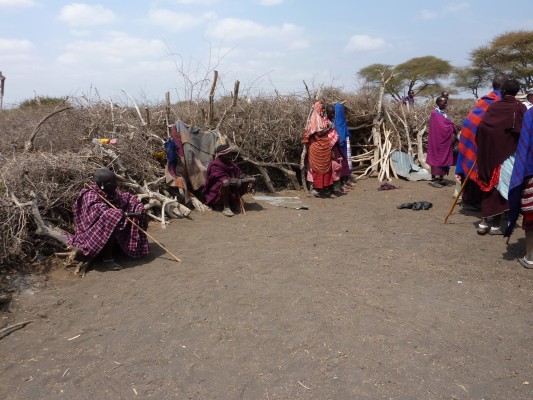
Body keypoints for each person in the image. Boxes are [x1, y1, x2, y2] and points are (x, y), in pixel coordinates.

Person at [66, 169, 149, 270]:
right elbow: (105, 214)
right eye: (112, 183)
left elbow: (127, 198)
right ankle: (107, 260)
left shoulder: (110, 192)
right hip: (90, 234)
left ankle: (125, 248)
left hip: (105, 230)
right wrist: (130, 214)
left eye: (115, 182)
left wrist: (138, 208)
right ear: (102, 184)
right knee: (111, 219)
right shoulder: (89, 195)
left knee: (125, 211)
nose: (115, 185)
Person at [474, 78, 526, 235]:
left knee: (490, 185)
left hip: (490, 154)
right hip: (509, 156)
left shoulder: (494, 106)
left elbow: (482, 128)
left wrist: (484, 147)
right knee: (502, 188)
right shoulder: (521, 107)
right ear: (517, 93)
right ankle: (495, 226)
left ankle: (484, 223)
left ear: (502, 92)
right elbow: (524, 133)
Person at [455, 75, 506, 209]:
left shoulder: (484, 101)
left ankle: (471, 200)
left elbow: (468, 123)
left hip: (472, 140)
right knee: (483, 172)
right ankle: (477, 201)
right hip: (483, 143)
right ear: (503, 87)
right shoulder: (498, 102)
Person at [505, 107, 533, 267]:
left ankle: (530, 256)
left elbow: (524, 145)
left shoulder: (531, 114)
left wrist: (520, 171)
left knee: (531, 216)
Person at [202, 144, 255, 217]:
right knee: (226, 183)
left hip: (231, 191)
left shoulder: (231, 164)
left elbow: (240, 174)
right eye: (228, 155)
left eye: (231, 154)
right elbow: (226, 180)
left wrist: (249, 179)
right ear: (221, 156)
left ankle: (234, 202)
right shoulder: (215, 165)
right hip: (217, 194)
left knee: (246, 180)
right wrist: (246, 180)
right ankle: (226, 207)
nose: (230, 156)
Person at [303, 101, 335, 197]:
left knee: (326, 167)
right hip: (316, 147)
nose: (324, 111)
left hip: (324, 147)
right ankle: (316, 189)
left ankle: (324, 189)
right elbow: (319, 133)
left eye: (324, 109)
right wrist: (329, 128)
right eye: (323, 109)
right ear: (318, 108)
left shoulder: (321, 118)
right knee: (317, 169)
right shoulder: (314, 119)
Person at [426, 96, 457, 188]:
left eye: (446, 103)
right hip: (436, 140)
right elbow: (443, 125)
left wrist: (451, 126)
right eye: (444, 103)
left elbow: (447, 123)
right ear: (438, 103)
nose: (445, 104)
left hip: (444, 141)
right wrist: (451, 126)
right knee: (436, 157)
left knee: (444, 158)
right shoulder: (435, 113)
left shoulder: (443, 114)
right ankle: (433, 178)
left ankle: (441, 178)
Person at [325, 104, 353, 193]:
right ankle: (334, 184)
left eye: (334, 113)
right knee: (335, 164)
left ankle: (339, 183)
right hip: (332, 147)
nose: (333, 115)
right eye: (331, 113)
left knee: (339, 163)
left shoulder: (335, 122)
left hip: (337, 146)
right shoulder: (328, 122)